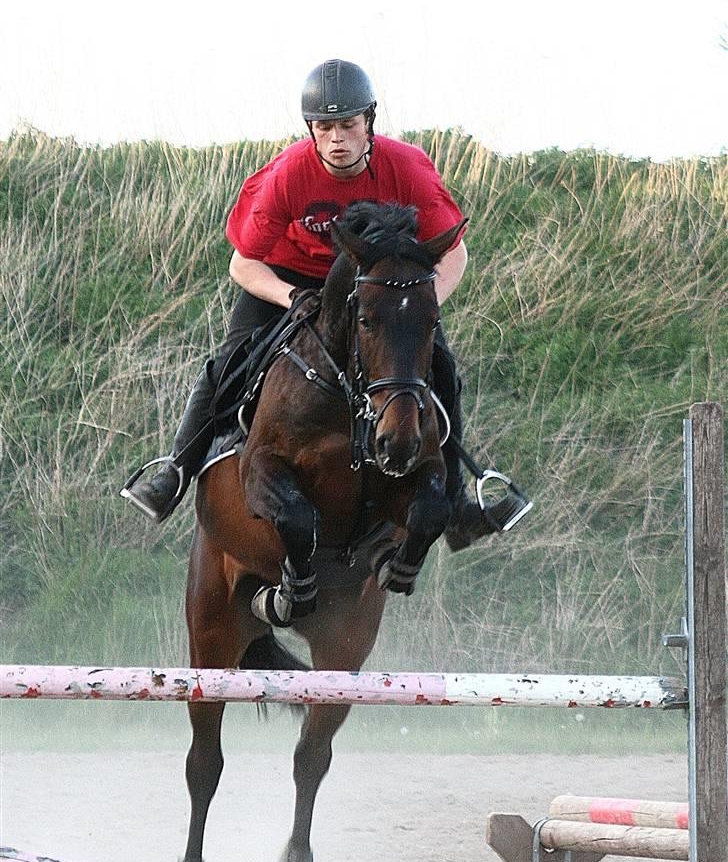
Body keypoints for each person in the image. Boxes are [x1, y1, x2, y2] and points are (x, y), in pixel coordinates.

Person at [122, 59, 522, 549]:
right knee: (228, 362)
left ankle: (459, 502)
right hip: (289, 277)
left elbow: (454, 250)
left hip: (380, 286)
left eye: (348, 125)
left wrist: (419, 307)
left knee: (440, 364)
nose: (337, 139)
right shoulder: (291, 172)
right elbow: (243, 265)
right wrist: (292, 298)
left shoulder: (407, 166)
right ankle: (174, 473)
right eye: (325, 127)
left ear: (369, 121)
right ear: (310, 129)